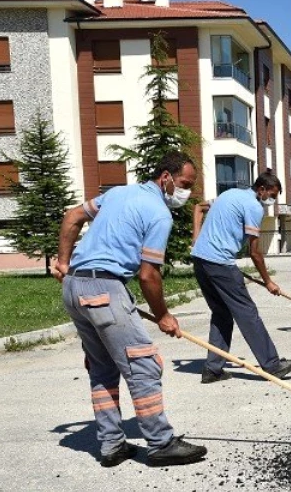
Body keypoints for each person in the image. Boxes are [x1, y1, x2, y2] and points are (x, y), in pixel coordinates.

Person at [52, 152, 207, 468]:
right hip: (104, 289)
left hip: (74, 287)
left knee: (102, 367)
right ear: (165, 177)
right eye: (184, 184)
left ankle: (111, 445)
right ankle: (161, 443)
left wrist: (64, 264)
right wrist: (163, 315)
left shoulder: (118, 193)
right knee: (144, 365)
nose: (186, 192)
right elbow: (148, 274)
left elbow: (72, 216)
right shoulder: (159, 214)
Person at [190, 174, 291, 384]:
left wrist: (196, 237)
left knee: (221, 314)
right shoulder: (253, 206)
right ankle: (272, 365)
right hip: (221, 263)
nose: (272, 200)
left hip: (200, 261)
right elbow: (255, 252)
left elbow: (199, 207)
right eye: (272, 195)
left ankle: (212, 369)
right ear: (261, 189)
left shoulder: (229, 194)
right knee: (247, 313)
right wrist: (268, 281)